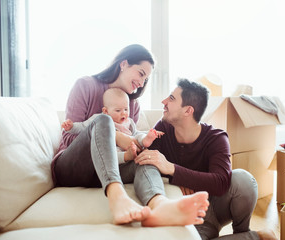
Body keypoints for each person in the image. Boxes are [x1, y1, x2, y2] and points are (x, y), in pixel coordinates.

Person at [51, 44, 209, 226]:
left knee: (146, 158)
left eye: (146, 79)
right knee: (103, 120)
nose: (142, 83)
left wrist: (139, 144)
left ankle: (160, 206)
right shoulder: (85, 86)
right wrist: (117, 137)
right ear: (124, 64)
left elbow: (134, 143)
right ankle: (117, 197)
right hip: (72, 168)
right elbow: (69, 139)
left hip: (105, 170)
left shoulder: (132, 105)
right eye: (141, 74)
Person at [135, 78, 278, 239]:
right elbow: (149, 163)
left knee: (244, 179)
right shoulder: (162, 129)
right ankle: (255, 237)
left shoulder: (216, 137)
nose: (164, 101)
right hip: (189, 217)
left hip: (215, 208)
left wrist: (173, 169)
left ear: (188, 111)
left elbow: (221, 181)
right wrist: (180, 179)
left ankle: (241, 232)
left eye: (172, 98)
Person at [61, 87, 164, 163]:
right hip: (113, 149)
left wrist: (146, 135)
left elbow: (135, 134)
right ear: (106, 111)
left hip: (130, 144)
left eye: (126, 109)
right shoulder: (99, 118)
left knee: (138, 135)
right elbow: (83, 127)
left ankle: (146, 139)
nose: (123, 113)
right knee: (110, 152)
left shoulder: (129, 122)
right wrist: (71, 127)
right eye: (118, 110)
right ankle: (126, 156)